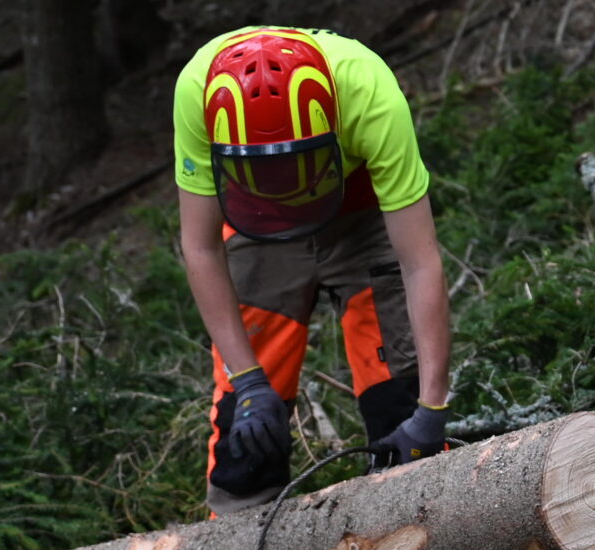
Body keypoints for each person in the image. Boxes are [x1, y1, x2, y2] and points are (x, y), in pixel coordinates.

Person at [172, 26, 454, 514]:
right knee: (247, 427)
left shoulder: (370, 93)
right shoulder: (198, 94)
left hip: (358, 203)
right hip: (252, 214)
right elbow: (200, 248)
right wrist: (248, 380)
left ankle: (423, 526)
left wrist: (432, 408)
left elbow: (419, 261)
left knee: (399, 403)